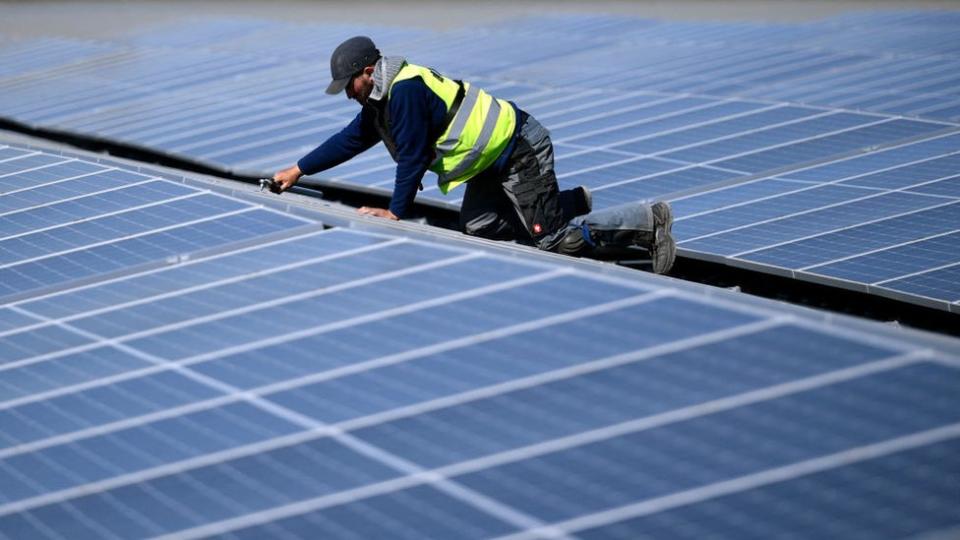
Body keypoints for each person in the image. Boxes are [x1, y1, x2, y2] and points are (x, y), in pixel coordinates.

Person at [271, 36, 676, 274]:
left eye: (348, 85)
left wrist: (394, 213)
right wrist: (298, 170)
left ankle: (646, 221)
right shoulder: (381, 101)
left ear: (367, 72)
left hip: (517, 150)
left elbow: (412, 157)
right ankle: (563, 203)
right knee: (480, 227)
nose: (347, 94)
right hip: (490, 162)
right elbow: (350, 139)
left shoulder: (405, 92)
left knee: (552, 242)